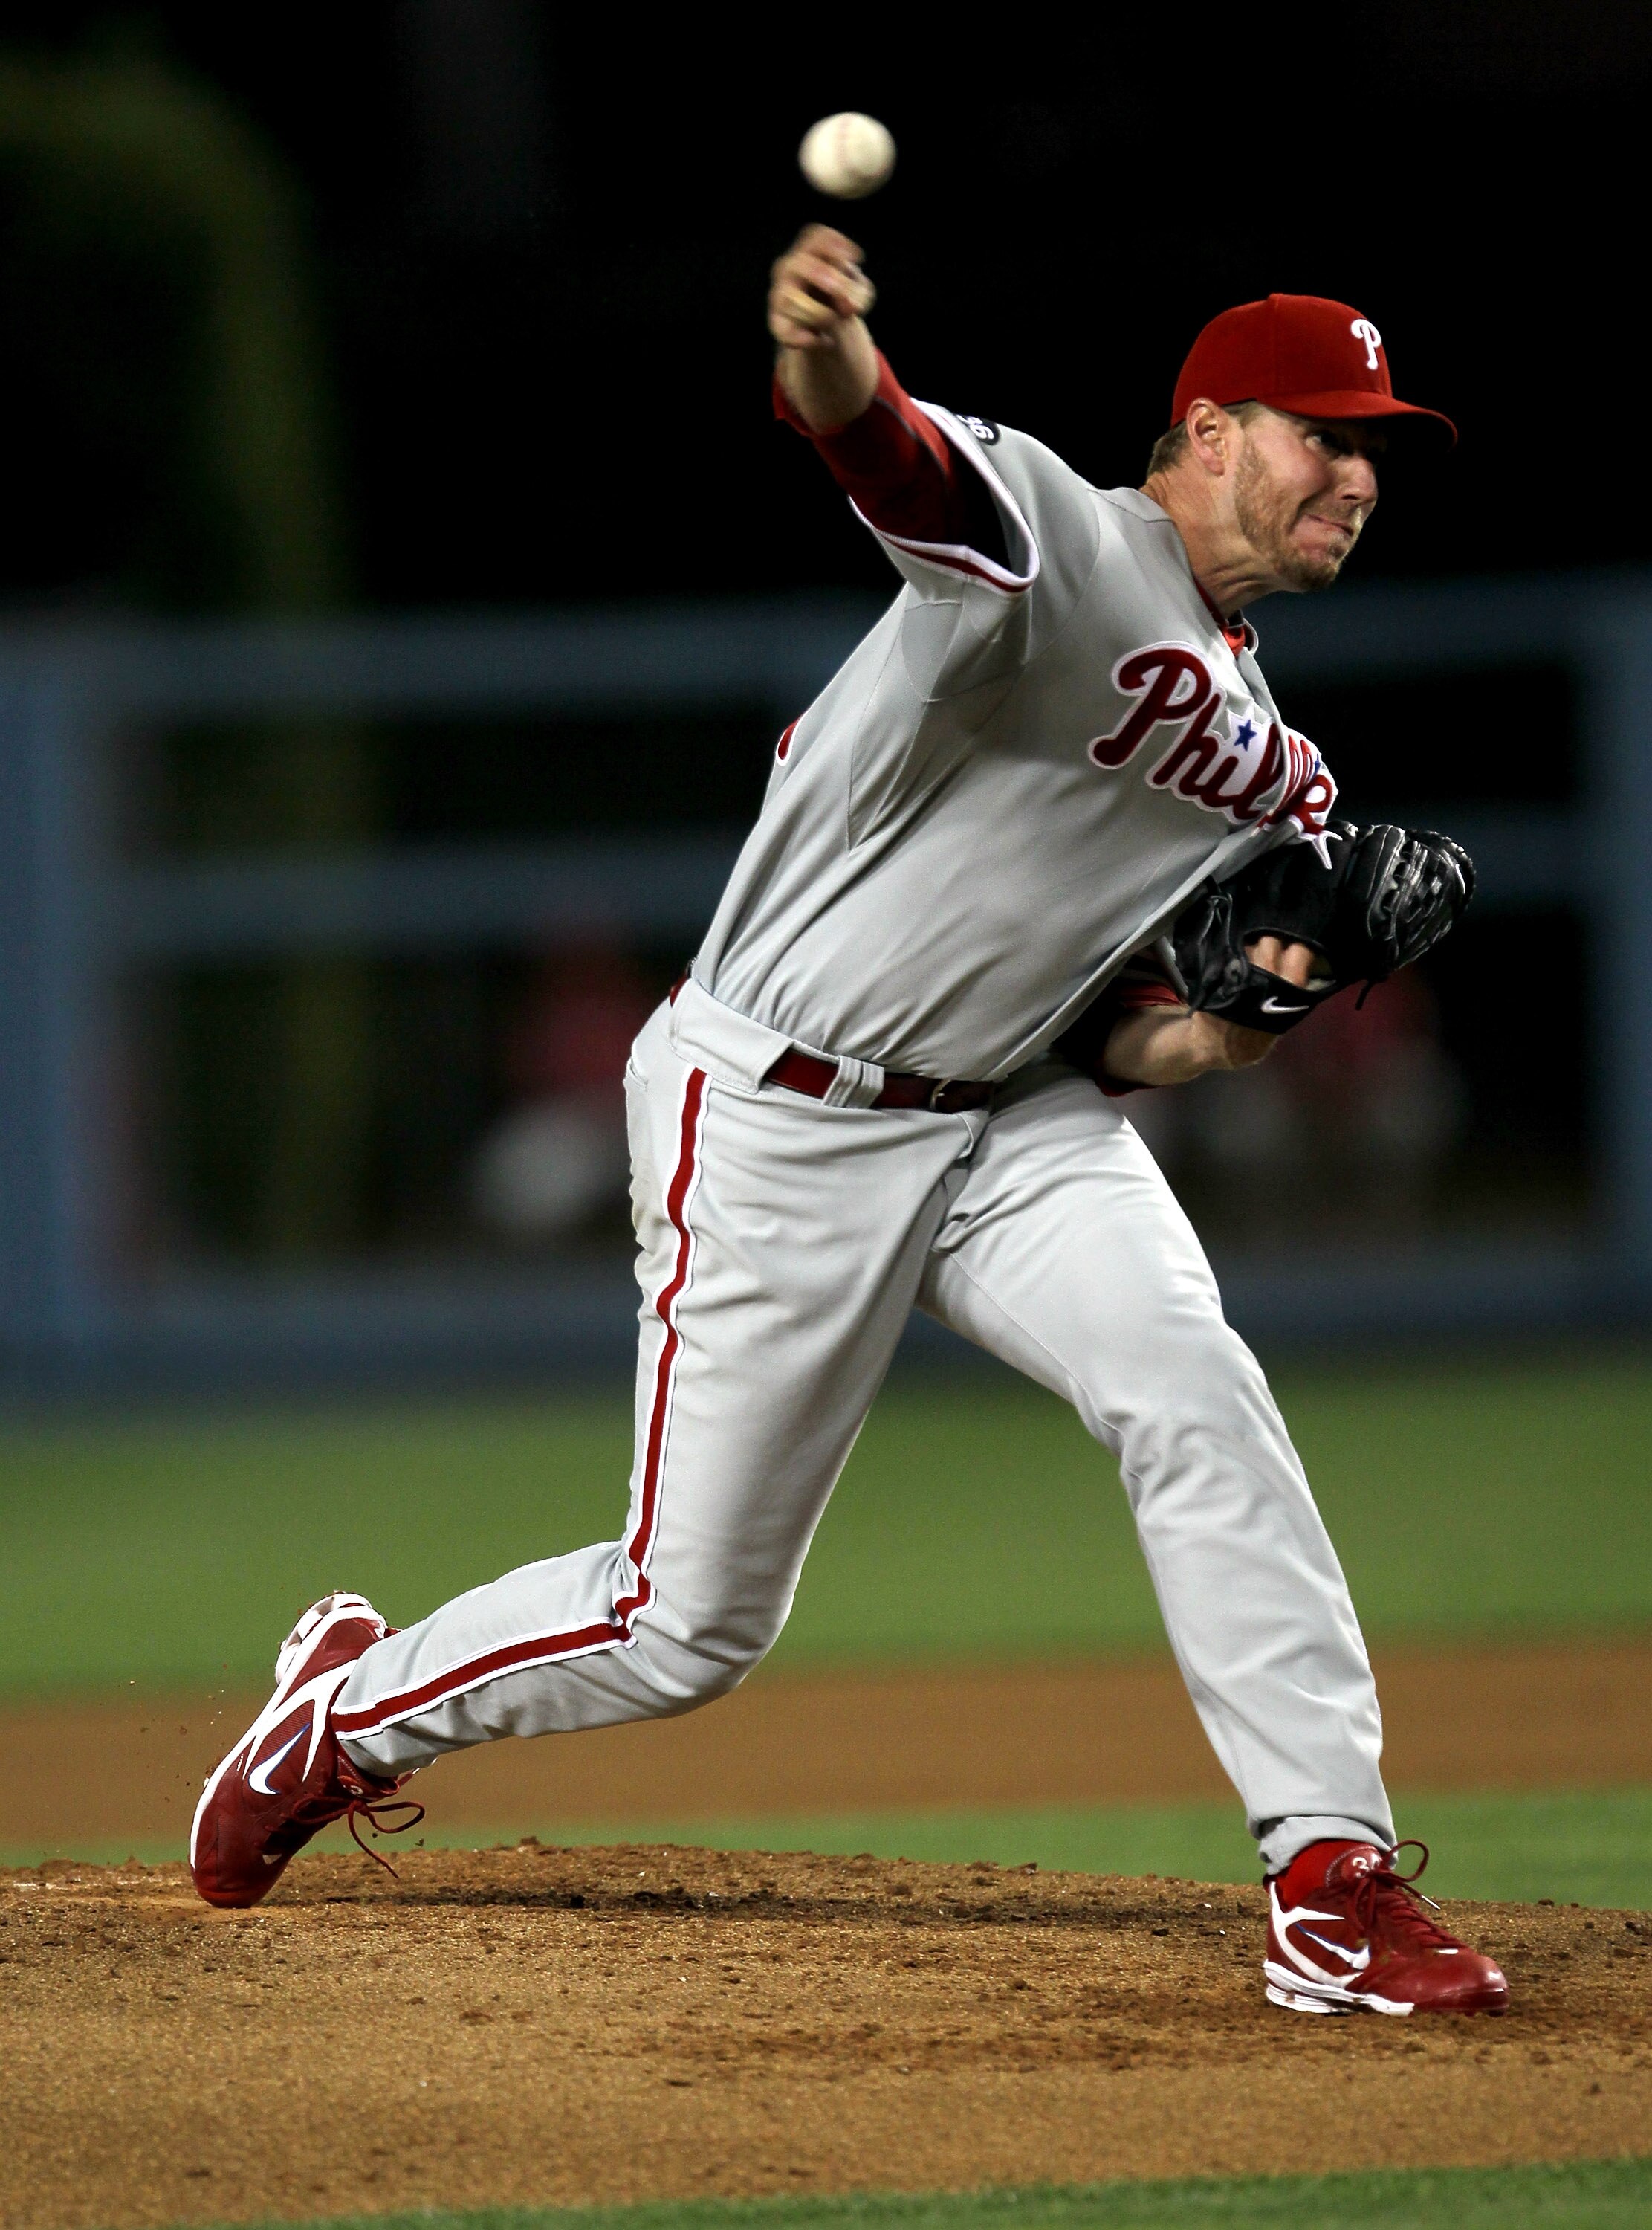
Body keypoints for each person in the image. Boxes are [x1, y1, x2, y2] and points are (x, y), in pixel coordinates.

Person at [190, 231, 1507, 2020]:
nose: (1352, 473)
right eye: (1317, 431)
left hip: (1010, 1122)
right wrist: (829, 354)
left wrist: (1250, 1008)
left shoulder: (1280, 769)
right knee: (686, 1627)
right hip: (776, 1112)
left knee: (1191, 1386)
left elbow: (1135, 1038)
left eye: (1375, 450)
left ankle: (1328, 1876)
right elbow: (885, 456)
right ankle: (351, 1708)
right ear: (1202, 430)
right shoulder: (1056, 541)